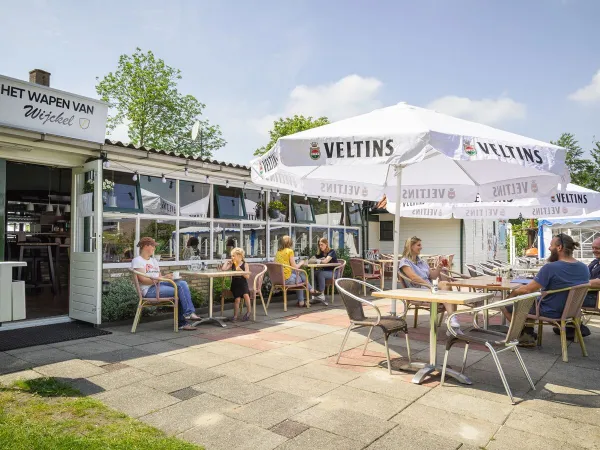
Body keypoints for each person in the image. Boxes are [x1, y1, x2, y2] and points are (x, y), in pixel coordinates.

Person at [504, 233, 589, 343]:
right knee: (530, 302)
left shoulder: (550, 267)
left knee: (506, 306)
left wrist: (513, 293)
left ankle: (523, 334)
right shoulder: (584, 268)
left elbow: (528, 289)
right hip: (572, 311)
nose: (549, 248)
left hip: (550, 311)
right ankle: (527, 333)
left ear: (559, 247)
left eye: (551, 245)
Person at [132, 237, 200, 331]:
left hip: (159, 285)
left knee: (182, 283)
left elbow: (159, 277)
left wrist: (168, 277)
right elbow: (143, 280)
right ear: (145, 246)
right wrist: (163, 278)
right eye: (153, 246)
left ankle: (188, 314)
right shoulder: (137, 260)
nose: (154, 248)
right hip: (149, 290)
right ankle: (184, 320)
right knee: (179, 290)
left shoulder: (154, 261)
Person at [398, 236, 460, 334]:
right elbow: (413, 277)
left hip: (429, 288)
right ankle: (452, 322)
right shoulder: (404, 261)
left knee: (446, 285)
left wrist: (439, 267)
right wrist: (429, 285)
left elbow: (433, 276)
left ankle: (452, 321)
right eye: (419, 245)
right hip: (417, 291)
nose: (421, 247)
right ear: (411, 246)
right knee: (448, 293)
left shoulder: (421, 261)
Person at [274, 235, 314, 307]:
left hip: (278, 280)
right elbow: (295, 267)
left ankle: (310, 290)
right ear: (290, 243)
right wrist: (302, 262)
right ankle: (308, 293)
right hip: (287, 280)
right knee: (300, 277)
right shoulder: (290, 251)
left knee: (299, 273)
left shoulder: (278, 252)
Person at [222, 247, 252, 322]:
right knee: (237, 299)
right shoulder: (233, 264)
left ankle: (249, 312)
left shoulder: (245, 264)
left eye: (233, 256)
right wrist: (226, 262)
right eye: (231, 256)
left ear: (239, 256)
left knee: (246, 295)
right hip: (235, 284)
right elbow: (223, 269)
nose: (232, 257)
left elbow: (247, 276)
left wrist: (241, 271)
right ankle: (235, 316)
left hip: (243, 283)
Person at [314, 238, 339, 302]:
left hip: (334, 273)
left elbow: (325, 261)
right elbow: (313, 259)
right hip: (325, 271)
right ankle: (316, 294)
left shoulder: (331, 251)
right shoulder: (321, 253)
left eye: (322, 245)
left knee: (320, 274)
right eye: (319, 245)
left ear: (326, 244)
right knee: (314, 273)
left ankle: (321, 295)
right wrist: (318, 260)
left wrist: (318, 260)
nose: (320, 246)